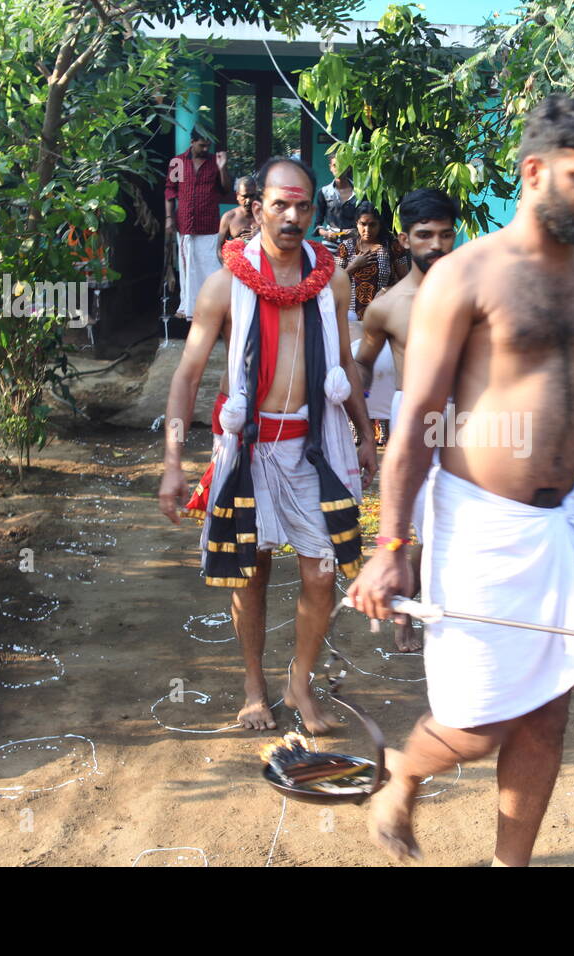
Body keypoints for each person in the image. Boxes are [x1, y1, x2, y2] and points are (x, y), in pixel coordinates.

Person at [346, 94, 574, 866]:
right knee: (479, 726)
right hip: (480, 524)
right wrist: (392, 542)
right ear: (535, 171)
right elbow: (415, 422)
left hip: (565, 525)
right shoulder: (466, 277)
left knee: (548, 715)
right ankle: (403, 772)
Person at [159, 156, 378, 734]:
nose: (293, 216)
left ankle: (299, 683)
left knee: (322, 571)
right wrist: (174, 462)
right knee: (250, 570)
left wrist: (363, 433)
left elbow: (344, 366)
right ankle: (255, 684)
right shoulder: (224, 283)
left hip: (313, 445)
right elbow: (186, 375)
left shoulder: (329, 280)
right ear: (257, 209)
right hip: (249, 447)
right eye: (280, 204)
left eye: (303, 205)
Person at [354, 188, 460, 653]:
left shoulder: (472, 296)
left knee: (461, 516)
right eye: (424, 235)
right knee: (414, 522)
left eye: (445, 234)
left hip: (467, 415)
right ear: (404, 239)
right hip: (412, 415)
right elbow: (362, 361)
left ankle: (457, 610)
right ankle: (403, 614)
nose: (436, 244)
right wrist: (349, 406)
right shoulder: (388, 306)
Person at [337, 201, 407, 439]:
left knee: (384, 370)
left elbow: (406, 280)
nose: (367, 230)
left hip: (384, 318)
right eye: (363, 224)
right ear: (356, 224)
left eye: (373, 225)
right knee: (354, 369)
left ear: (381, 224)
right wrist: (352, 267)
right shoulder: (347, 247)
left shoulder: (391, 247)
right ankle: (357, 422)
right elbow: (333, 282)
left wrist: (388, 291)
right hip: (351, 318)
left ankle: (384, 423)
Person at [165, 132, 231, 320]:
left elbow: (226, 189)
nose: (205, 149)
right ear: (192, 142)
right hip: (185, 223)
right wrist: (169, 218)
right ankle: (187, 306)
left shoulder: (215, 162)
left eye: (208, 146)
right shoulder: (177, 162)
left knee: (211, 266)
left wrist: (222, 168)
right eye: (202, 145)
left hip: (209, 223)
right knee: (187, 268)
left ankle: (212, 307)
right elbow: (170, 190)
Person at [313, 155, 356, 254]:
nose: (339, 168)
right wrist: (326, 233)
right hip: (330, 243)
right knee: (329, 269)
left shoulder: (359, 192)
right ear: (330, 168)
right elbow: (318, 224)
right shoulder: (323, 192)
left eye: (342, 165)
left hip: (354, 242)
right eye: (335, 165)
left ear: (349, 167)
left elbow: (366, 218)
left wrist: (356, 231)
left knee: (353, 268)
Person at [217, 176, 258, 258]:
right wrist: (229, 267)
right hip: (236, 266)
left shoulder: (266, 216)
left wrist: (260, 237)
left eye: (252, 196)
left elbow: (279, 245)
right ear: (237, 195)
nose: (248, 201)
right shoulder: (229, 217)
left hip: (263, 267)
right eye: (245, 196)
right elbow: (219, 249)